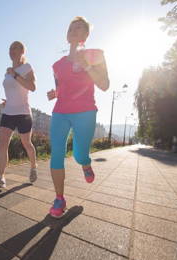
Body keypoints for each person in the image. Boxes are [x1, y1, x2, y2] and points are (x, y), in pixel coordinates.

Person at [46, 17, 110, 217]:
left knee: (78, 154)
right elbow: (60, 88)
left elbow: (105, 85)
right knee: (56, 153)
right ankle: (59, 198)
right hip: (60, 111)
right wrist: (53, 94)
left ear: (86, 35)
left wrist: (88, 66)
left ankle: (85, 163)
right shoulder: (57, 65)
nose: (74, 30)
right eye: (71, 28)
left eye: (79, 27)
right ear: (67, 35)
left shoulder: (96, 54)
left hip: (85, 111)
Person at [0, 41, 37, 188]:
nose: (12, 50)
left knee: (26, 143)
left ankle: (33, 166)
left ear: (23, 51)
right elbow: (12, 91)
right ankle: (1, 177)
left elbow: (32, 87)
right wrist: (7, 101)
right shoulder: (7, 71)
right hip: (9, 111)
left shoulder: (26, 68)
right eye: (10, 48)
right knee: (3, 144)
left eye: (15, 47)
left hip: (23, 112)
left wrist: (15, 75)